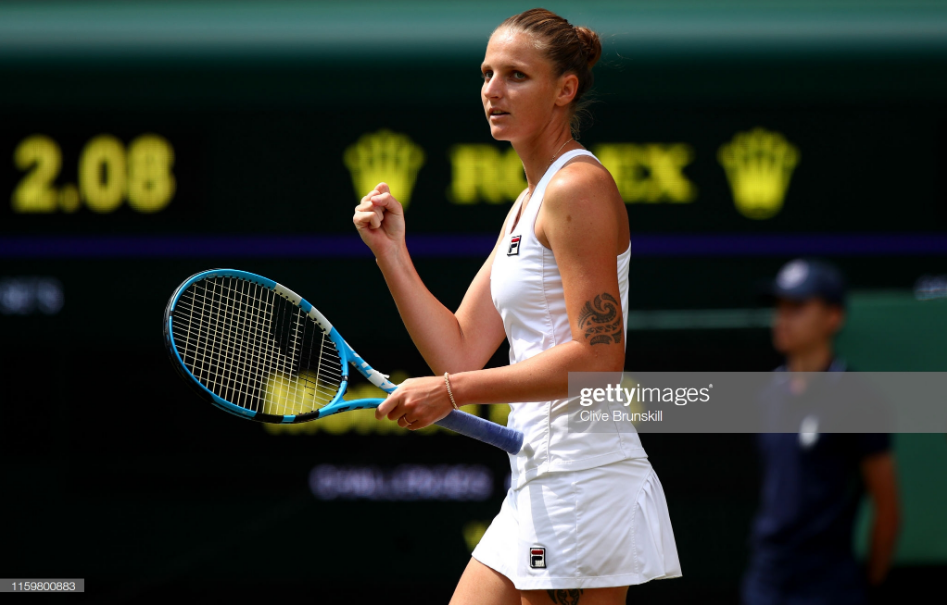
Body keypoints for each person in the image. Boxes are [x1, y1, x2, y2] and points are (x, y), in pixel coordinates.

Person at [353, 8, 681, 605]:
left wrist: (449, 391)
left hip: (581, 482)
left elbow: (598, 359)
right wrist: (391, 254)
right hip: (538, 477)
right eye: (486, 74)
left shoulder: (575, 188)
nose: (492, 91)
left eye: (516, 76)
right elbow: (458, 344)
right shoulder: (529, 201)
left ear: (565, 90)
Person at [743, 258, 901, 605]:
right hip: (765, 581)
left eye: (797, 307)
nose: (782, 318)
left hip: (828, 584)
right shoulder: (767, 393)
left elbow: (887, 507)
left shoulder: (859, 399)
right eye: (779, 306)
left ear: (833, 317)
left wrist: (870, 582)